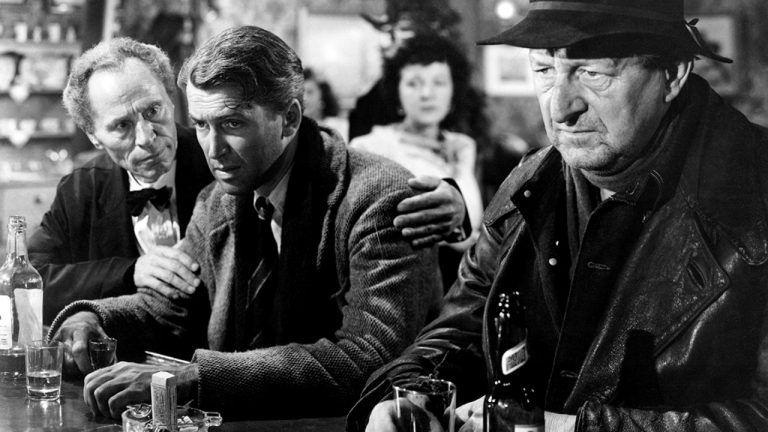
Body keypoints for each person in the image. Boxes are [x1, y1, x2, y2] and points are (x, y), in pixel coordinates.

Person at [348, 0, 768, 431]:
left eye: (593, 73)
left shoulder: (755, 195)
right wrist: (410, 395)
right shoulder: (530, 182)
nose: (561, 108)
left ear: (672, 74)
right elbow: (460, 332)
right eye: (545, 70)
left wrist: (571, 428)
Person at [47, 25, 444, 421]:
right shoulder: (218, 200)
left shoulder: (378, 197)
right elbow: (168, 305)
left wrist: (194, 379)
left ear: (289, 119)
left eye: (232, 124)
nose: (213, 149)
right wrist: (92, 318)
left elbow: (370, 359)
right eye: (201, 125)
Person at [29, 38, 214, 326]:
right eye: (122, 125)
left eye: (153, 111)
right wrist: (128, 272)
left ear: (170, 99)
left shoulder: (218, 164)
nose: (146, 138)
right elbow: (28, 280)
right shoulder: (80, 190)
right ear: (93, 135)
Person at [349, 34, 484, 289]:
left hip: (468, 283)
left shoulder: (463, 146)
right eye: (413, 83)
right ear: (396, 92)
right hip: (404, 283)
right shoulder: (371, 147)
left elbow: (474, 220)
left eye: (439, 82)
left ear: (454, 90)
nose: (427, 94)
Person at [302, 67, 349, 142]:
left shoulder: (339, 126)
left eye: (309, 92)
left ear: (323, 96)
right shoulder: (291, 130)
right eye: (301, 93)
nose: (304, 98)